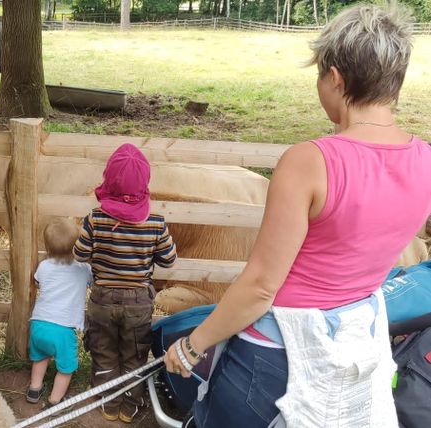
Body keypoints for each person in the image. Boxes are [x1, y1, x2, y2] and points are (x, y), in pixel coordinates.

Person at [165, 4, 431, 427]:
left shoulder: (310, 162)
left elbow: (259, 287)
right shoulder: (424, 161)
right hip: (356, 348)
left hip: (273, 358)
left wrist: (193, 345)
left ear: (336, 77)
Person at [74, 143, 178, 423]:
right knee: (134, 353)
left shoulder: (95, 218)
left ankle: (108, 400)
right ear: (144, 184)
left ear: (108, 180)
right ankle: (130, 404)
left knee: (103, 349)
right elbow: (169, 260)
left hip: (102, 298)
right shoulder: (156, 222)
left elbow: (80, 254)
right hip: (138, 301)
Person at [26, 218, 92, 407]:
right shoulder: (83, 269)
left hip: (38, 324)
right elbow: (93, 281)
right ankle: (55, 400)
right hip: (63, 329)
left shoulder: (44, 266)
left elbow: (38, 282)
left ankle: (34, 389)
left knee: (40, 357)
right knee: (66, 368)